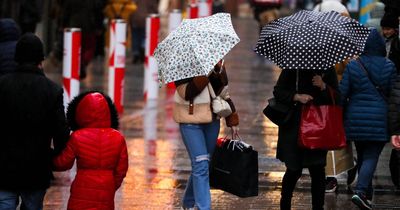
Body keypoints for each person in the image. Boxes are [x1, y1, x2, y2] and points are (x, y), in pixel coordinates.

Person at [0, 33, 70, 209]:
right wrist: (51, 156)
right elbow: (61, 132)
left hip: (4, 167)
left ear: (17, 58)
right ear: (41, 59)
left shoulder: (2, 85)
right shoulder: (52, 90)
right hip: (36, 169)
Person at [339, 28, 396, 209]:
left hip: (355, 119)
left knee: (364, 155)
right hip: (380, 119)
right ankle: (361, 191)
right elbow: (393, 95)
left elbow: (342, 94)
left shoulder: (354, 65)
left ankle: (367, 195)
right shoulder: (389, 66)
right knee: (371, 156)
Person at [173, 60, 239, 210]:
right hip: (190, 121)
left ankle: (189, 203)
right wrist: (204, 74)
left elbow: (224, 94)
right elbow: (186, 93)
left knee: (205, 165)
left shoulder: (217, 63)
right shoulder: (182, 63)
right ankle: (204, 207)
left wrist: (232, 118)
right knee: (201, 164)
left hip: (212, 121)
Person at [273, 65, 339, 210]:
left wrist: (323, 86)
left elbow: (337, 97)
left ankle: (318, 207)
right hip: (294, 129)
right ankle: (285, 206)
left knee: (317, 171)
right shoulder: (293, 66)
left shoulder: (327, 67)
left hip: (318, 128)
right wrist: (297, 96)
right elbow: (278, 91)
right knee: (293, 169)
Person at [53, 91, 129, 210]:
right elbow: (121, 169)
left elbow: (64, 163)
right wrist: (112, 186)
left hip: (81, 189)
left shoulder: (77, 137)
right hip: (106, 191)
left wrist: (46, 157)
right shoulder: (118, 138)